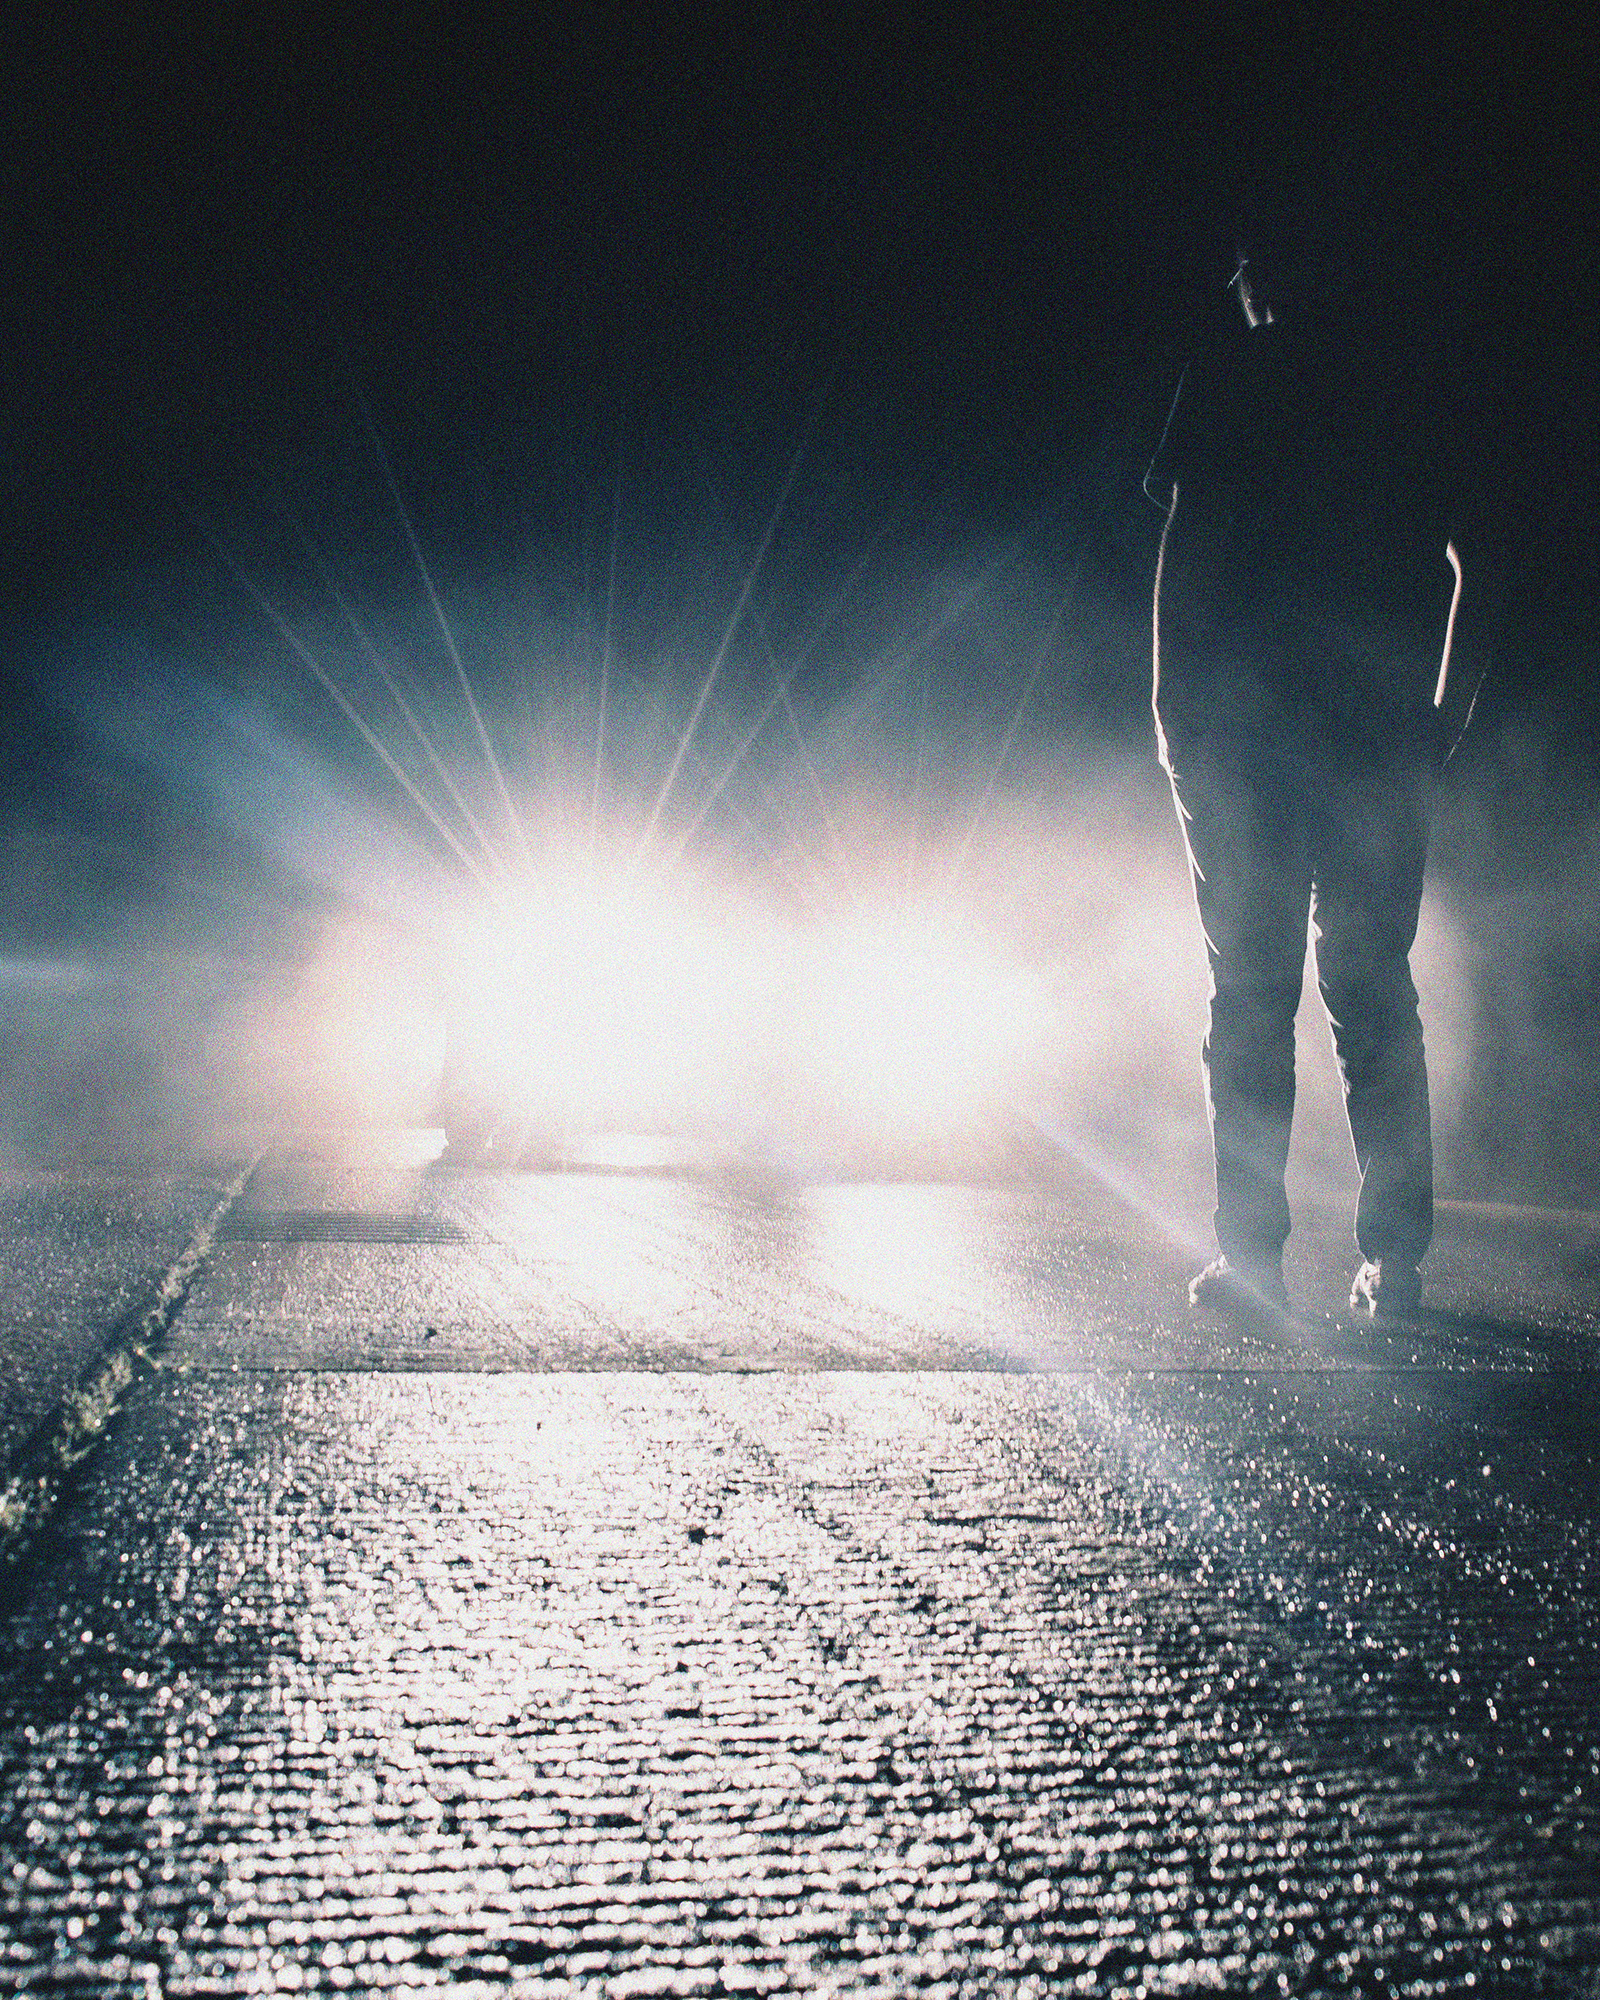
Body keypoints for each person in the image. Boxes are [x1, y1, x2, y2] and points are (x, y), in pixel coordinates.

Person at [1148, 234, 1488, 1320]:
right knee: (1372, 993)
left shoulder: (1238, 374)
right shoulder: (1412, 384)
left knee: (1250, 999)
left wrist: (1175, 718)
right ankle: (1395, 1262)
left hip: (1247, 737)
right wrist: (1443, 715)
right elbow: (1474, 560)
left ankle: (1252, 1259)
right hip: (1374, 738)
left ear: (1261, 278)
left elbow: (1185, 553)